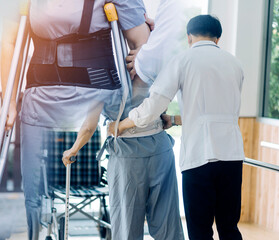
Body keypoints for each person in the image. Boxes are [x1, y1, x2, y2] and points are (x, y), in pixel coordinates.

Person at [0, 1, 150, 239]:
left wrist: (145, 54)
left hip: (97, 94)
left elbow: (142, 42)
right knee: (33, 190)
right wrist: (8, 101)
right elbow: (11, 41)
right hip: (40, 98)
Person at [110, 15, 245, 240]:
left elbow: (153, 106)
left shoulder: (184, 60)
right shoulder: (235, 64)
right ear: (218, 38)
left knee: (200, 230)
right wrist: (173, 120)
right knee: (229, 227)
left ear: (189, 36)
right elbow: (216, 112)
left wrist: (120, 125)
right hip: (232, 156)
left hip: (199, 157)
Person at [87, 0, 185, 239]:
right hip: (150, 143)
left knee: (128, 229)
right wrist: (149, 43)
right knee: (166, 228)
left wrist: (147, 46)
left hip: (133, 148)